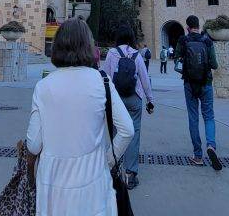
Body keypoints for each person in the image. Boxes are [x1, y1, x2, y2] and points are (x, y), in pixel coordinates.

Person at [27, 18, 134, 214]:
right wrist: (107, 160)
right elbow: (127, 130)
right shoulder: (102, 81)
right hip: (93, 180)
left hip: (53, 184)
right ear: (88, 46)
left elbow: (33, 144)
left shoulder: (43, 86)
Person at [101, 27, 155, 189]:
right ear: (131, 38)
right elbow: (144, 79)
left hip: (116, 99)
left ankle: (114, 168)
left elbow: (106, 76)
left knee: (116, 134)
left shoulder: (112, 53)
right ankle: (130, 174)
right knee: (133, 133)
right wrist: (150, 100)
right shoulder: (137, 54)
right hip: (134, 99)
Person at [175, 18, 222, 171]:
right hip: (206, 83)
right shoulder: (207, 41)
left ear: (187, 27)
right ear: (198, 26)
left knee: (193, 117)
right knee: (208, 116)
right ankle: (211, 145)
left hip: (189, 84)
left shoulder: (183, 40)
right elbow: (214, 64)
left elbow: (176, 61)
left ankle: (197, 155)